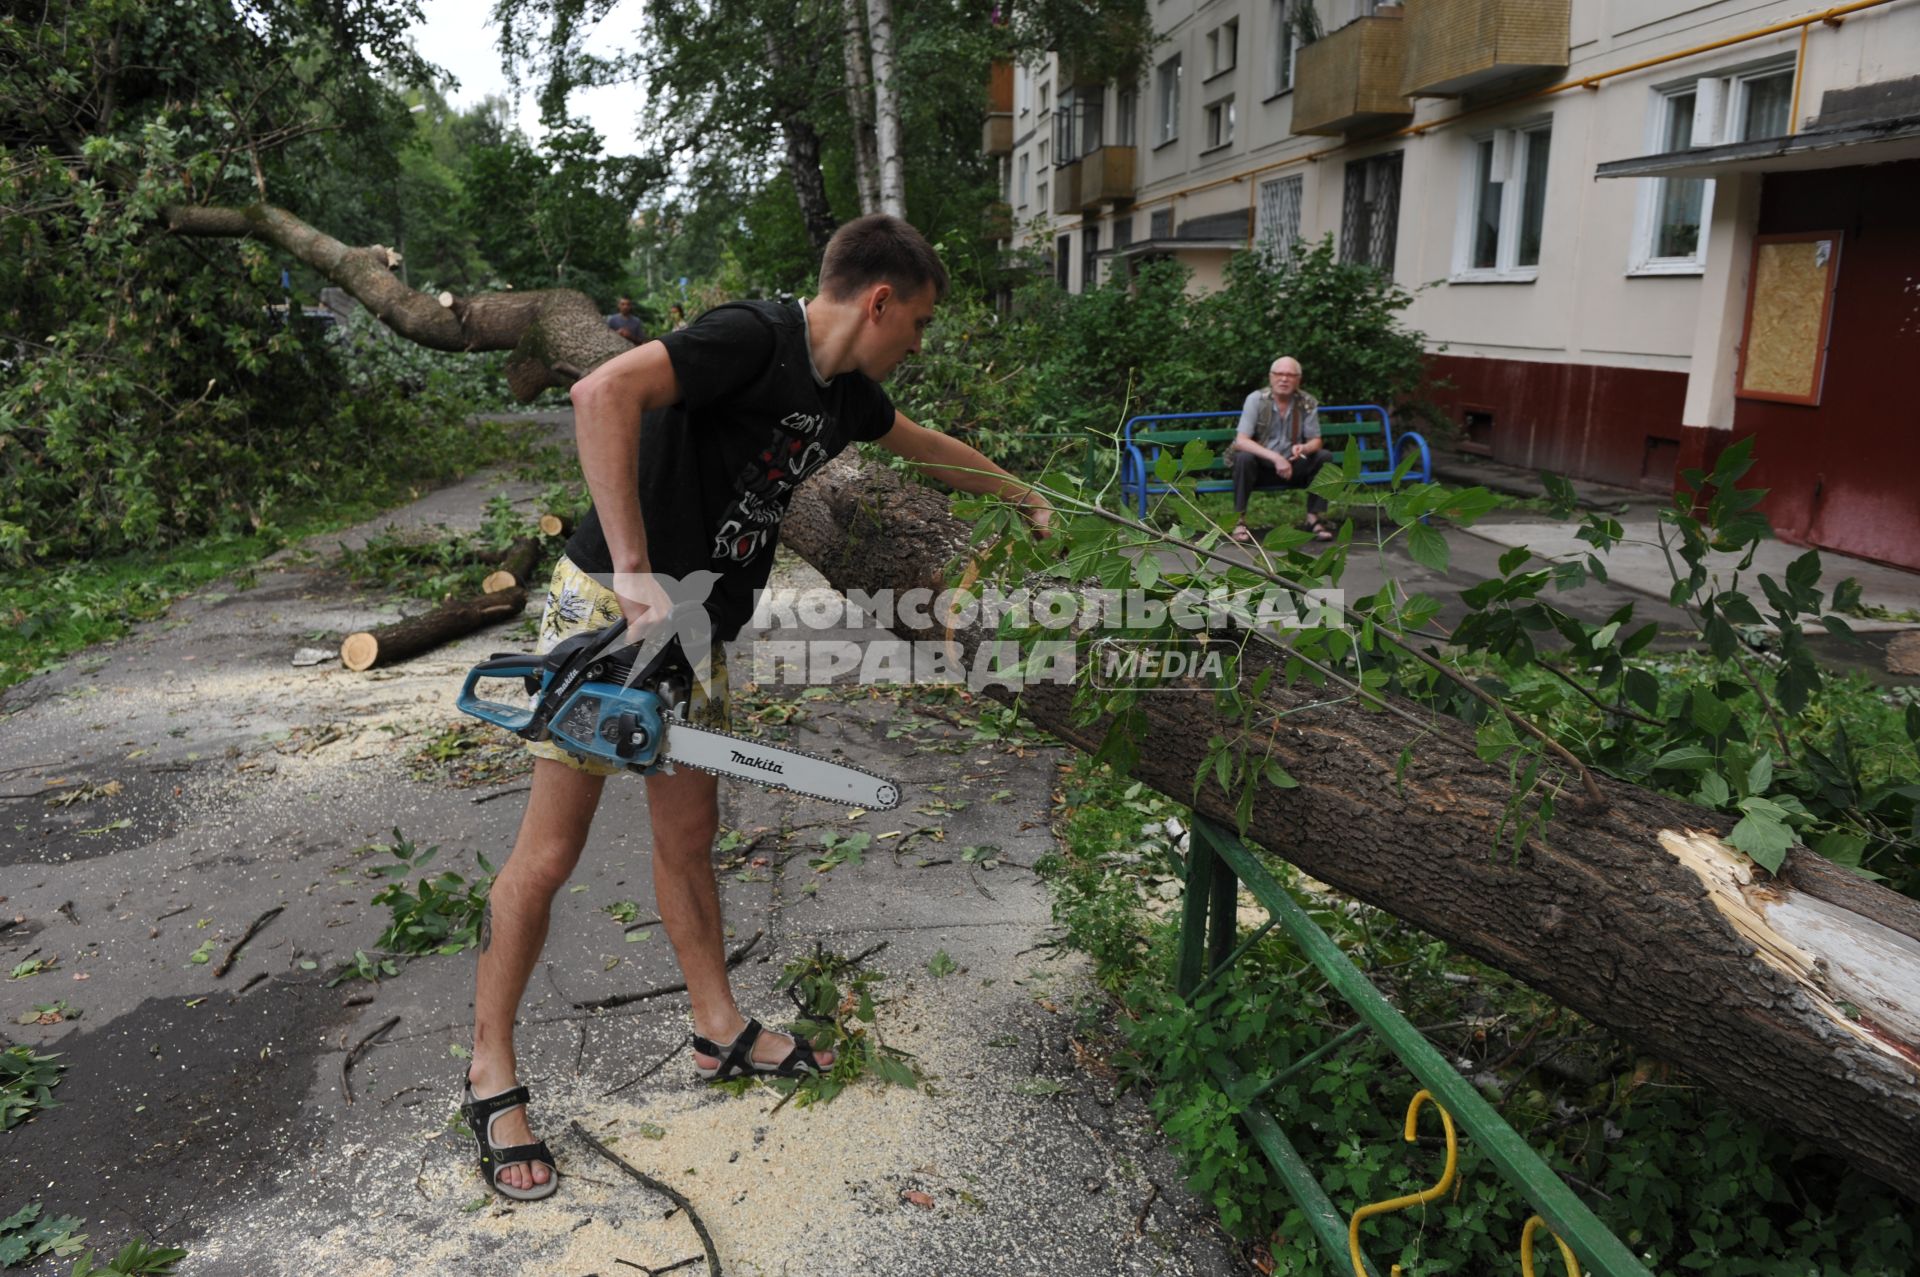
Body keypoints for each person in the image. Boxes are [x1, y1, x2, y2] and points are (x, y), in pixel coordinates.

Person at [460, 213, 1053, 1201]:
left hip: (698, 628)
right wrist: (638, 569)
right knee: (551, 853)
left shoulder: (846, 395)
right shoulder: (750, 336)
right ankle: (490, 1071)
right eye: (921, 322)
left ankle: (717, 1026)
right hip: (614, 608)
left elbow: (922, 443)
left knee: (689, 835)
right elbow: (601, 389)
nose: (920, 340)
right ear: (879, 301)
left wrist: (1018, 491)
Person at [1226, 355, 1332, 544]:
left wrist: (1305, 447)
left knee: (1323, 456)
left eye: (1290, 375)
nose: (1284, 379)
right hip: (1260, 468)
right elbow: (1241, 441)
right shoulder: (1256, 399)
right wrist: (1276, 458)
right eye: (1280, 374)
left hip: (1292, 466)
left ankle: (1313, 519)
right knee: (1243, 458)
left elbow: (1316, 441)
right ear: (1271, 376)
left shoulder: (1307, 402)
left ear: (1298, 379)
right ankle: (1239, 521)